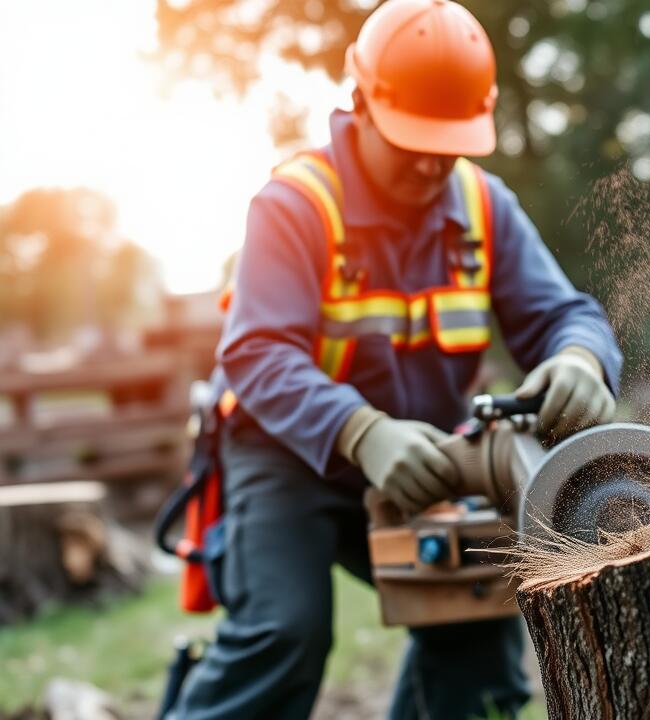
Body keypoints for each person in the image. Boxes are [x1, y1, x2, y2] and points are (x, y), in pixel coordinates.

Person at [170, 1, 621, 717]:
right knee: (284, 633)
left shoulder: (483, 206)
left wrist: (581, 360)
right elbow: (256, 353)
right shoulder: (296, 205)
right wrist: (361, 432)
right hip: (287, 458)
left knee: (474, 630)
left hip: (426, 460)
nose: (431, 161)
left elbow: (567, 315)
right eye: (414, 138)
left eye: (449, 142)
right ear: (362, 104)